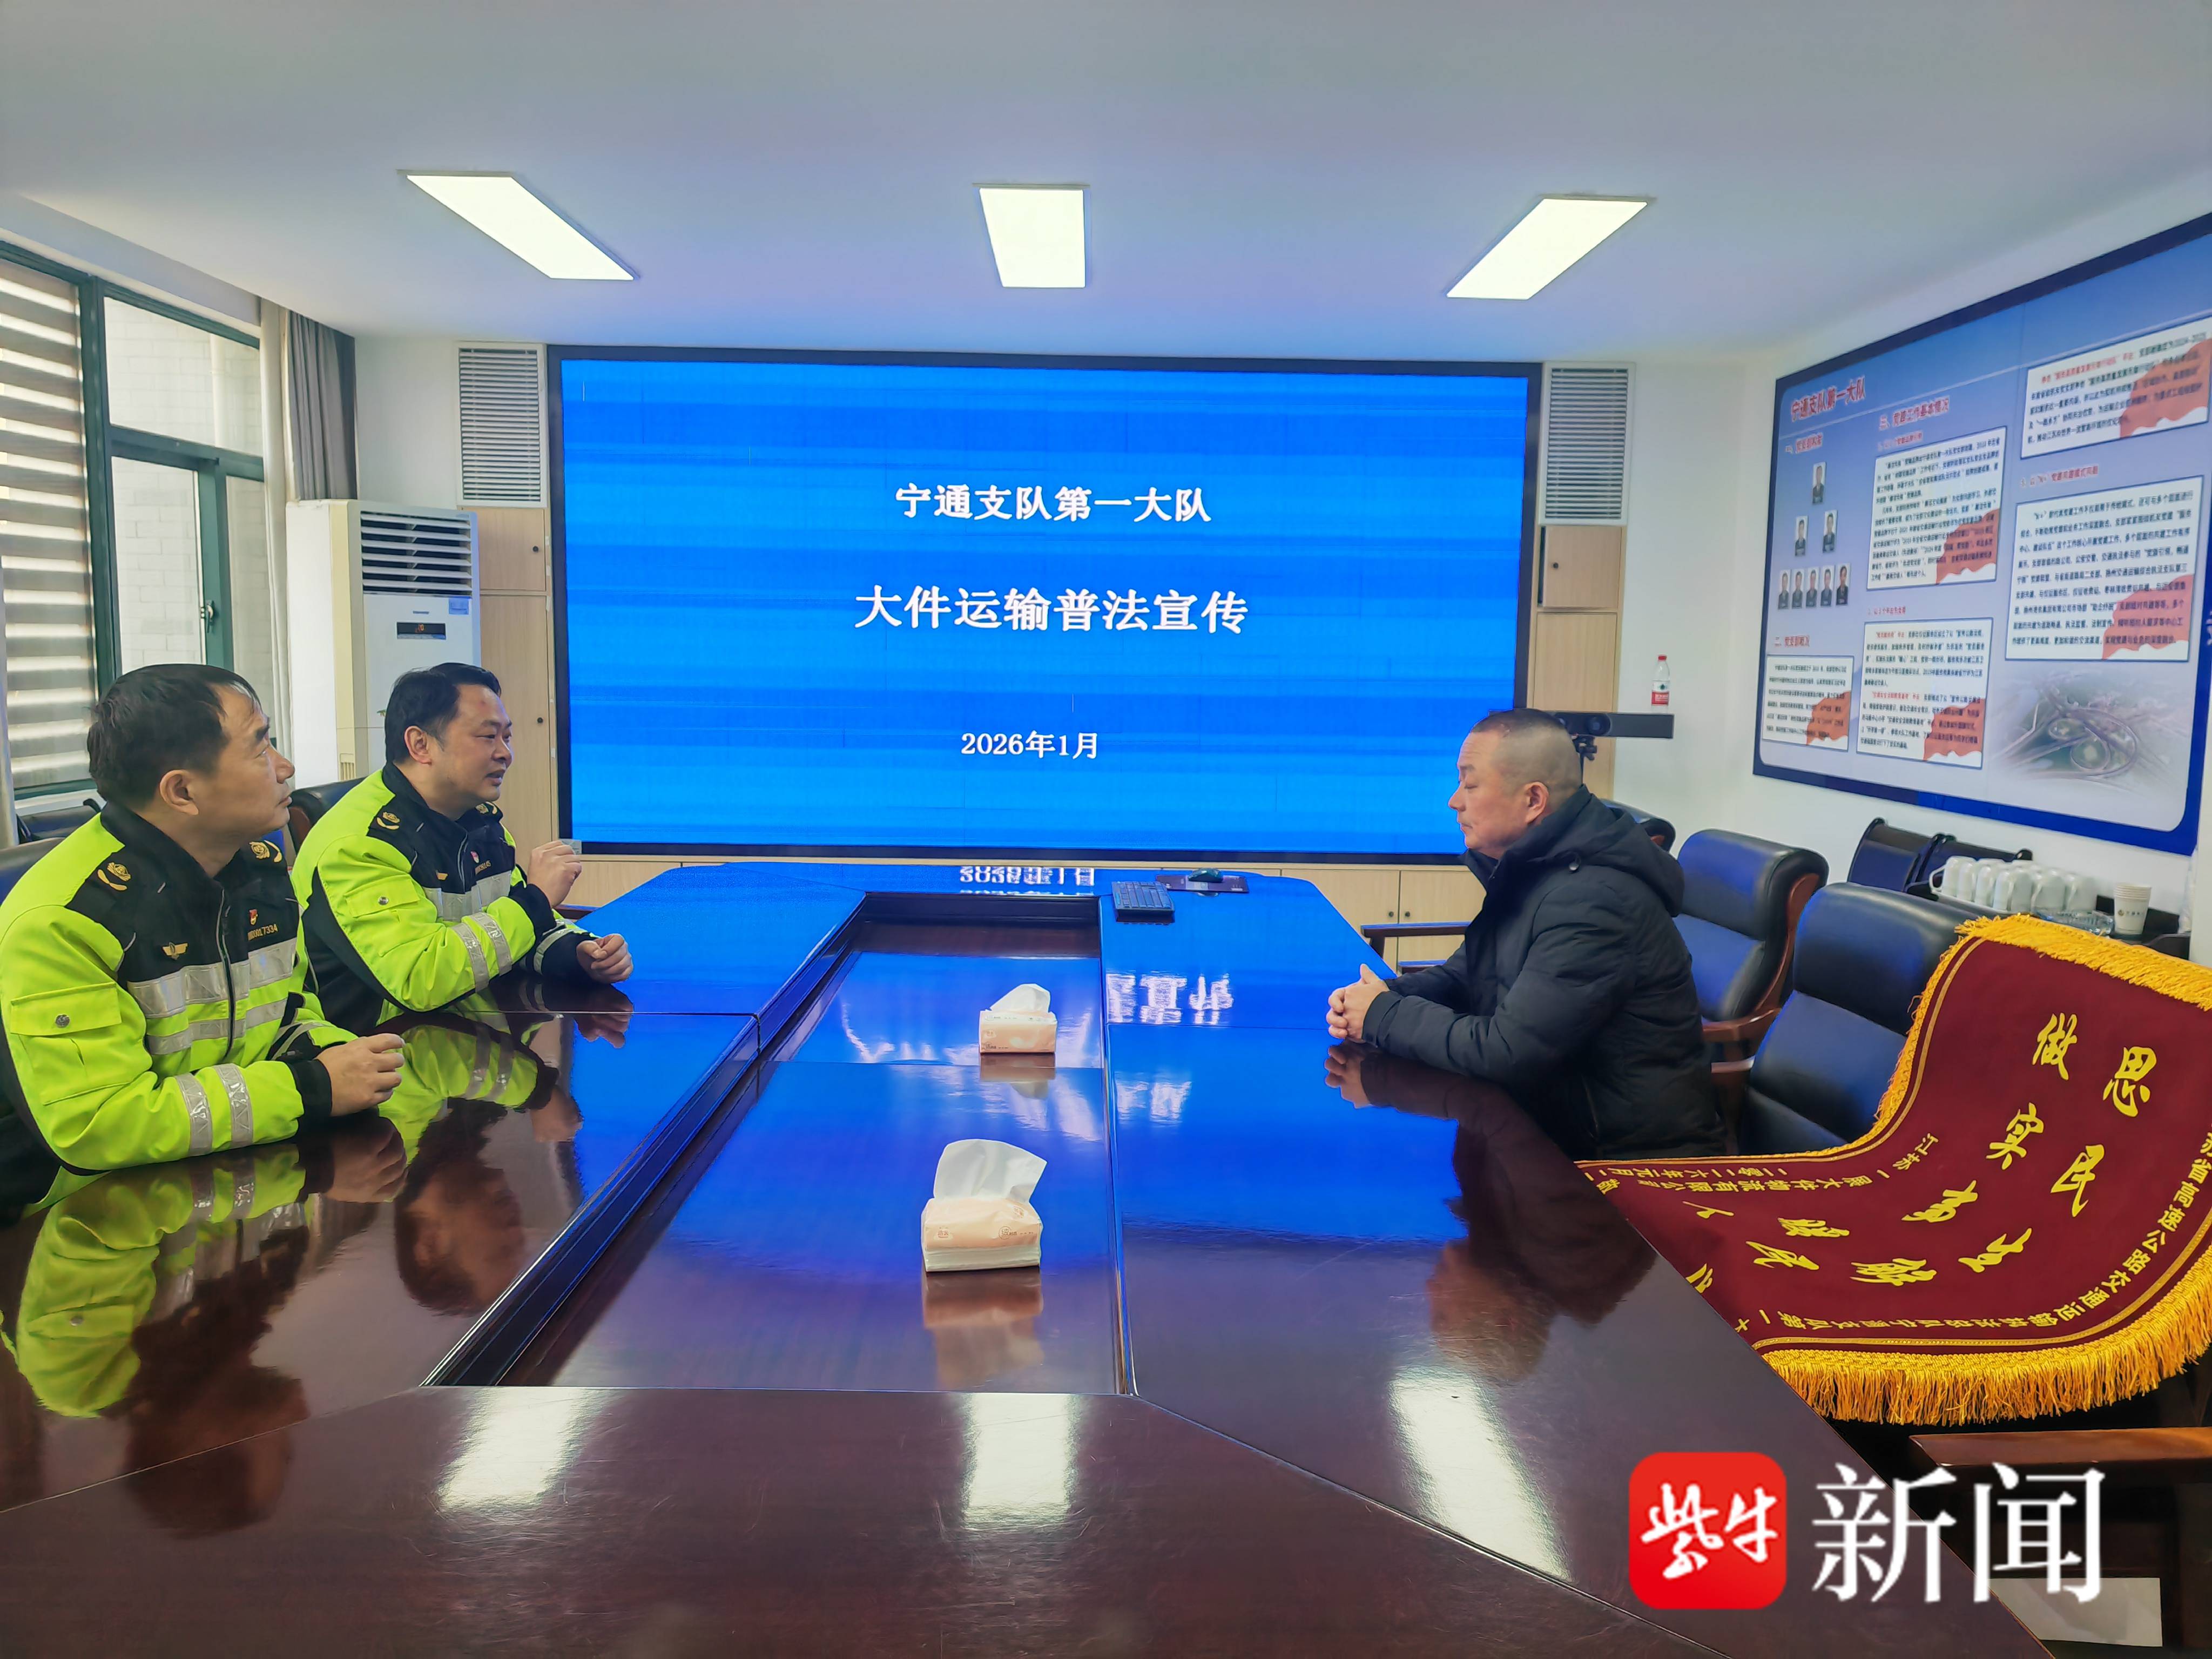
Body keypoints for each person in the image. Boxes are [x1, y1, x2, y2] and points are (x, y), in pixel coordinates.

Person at [0, 666, 403, 1176]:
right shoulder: (65, 922)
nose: (285, 767)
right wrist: (313, 1088)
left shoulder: (258, 870)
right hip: (104, 1204)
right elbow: (102, 1125)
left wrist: (343, 1057)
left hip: (244, 1168)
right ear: (182, 792)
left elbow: (287, 1013)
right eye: (260, 748)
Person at [1326, 709, 1721, 1158]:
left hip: (1619, 1157)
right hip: (1541, 1125)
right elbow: (1466, 977)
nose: (1454, 801)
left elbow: (1507, 1052)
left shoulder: (1596, 903)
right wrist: (1379, 997)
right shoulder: (1535, 868)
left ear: (1533, 800)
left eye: (1471, 784)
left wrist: (1384, 1016)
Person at [292, 664, 632, 1031]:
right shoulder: (361, 845)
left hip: (468, 1033)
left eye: (507, 737)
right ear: (421, 745)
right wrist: (535, 900)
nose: (505, 754)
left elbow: (510, 931)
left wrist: (577, 954)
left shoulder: (478, 821)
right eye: (488, 737)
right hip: (384, 1050)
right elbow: (420, 979)